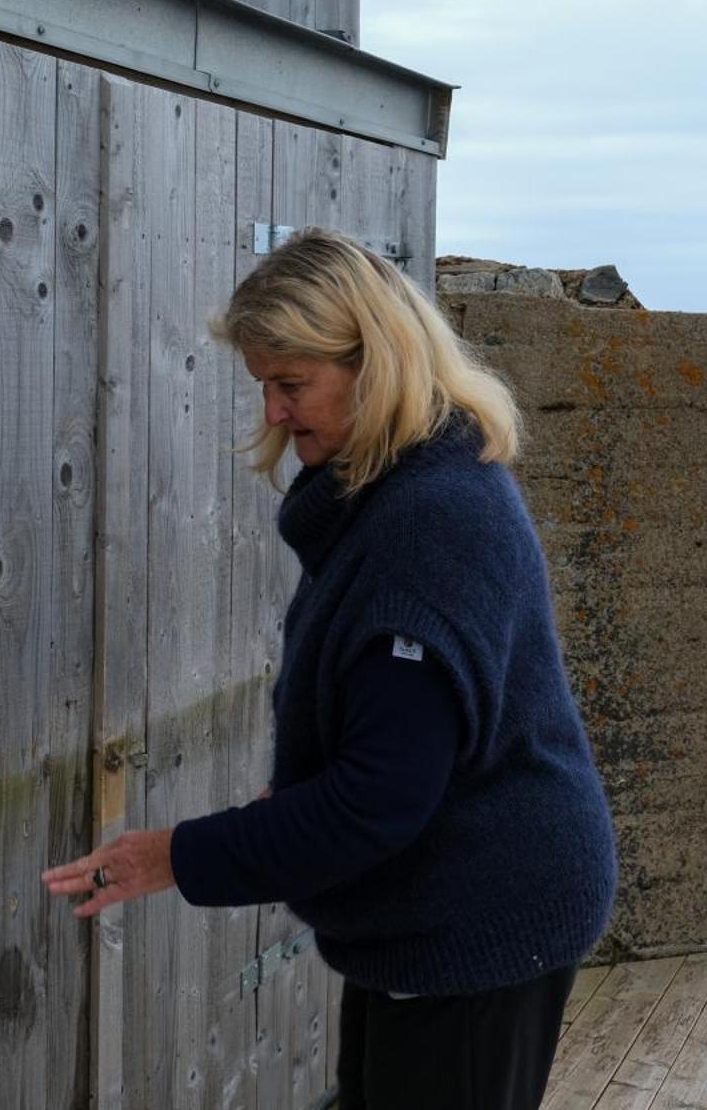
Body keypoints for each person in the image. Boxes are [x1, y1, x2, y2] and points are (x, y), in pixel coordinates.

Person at [43, 229, 618, 1109]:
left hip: (480, 919)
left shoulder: (430, 524)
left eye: (291, 384)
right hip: (435, 906)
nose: (272, 412)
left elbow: (375, 803)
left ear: (375, 363)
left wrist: (169, 856)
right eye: (264, 386)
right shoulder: (402, 488)